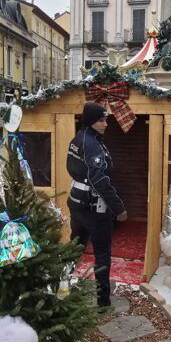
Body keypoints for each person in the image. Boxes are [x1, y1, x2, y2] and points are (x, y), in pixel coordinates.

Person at [67, 101, 127, 308]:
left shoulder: (80, 138)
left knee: (75, 248)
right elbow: (98, 180)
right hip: (93, 206)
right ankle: (103, 301)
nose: (105, 124)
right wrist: (118, 208)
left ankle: (62, 287)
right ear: (92, 121)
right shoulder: (91, 144)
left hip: (77, 203)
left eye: (106, 119)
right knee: (102, 254)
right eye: (101, 120)